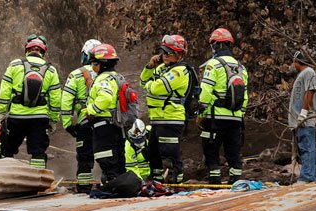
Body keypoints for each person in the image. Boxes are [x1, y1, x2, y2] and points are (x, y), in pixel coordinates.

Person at [0, 34, 61, 169]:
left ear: (27, 50)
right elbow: (55, 98)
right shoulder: (51, 70)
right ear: (43, 52)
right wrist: (53, 120)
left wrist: (2, 112)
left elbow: (4, 91)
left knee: (7, 149)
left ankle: (4, 177)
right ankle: (36, 182)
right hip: (39, 118)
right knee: (38, 152)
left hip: (16, 116)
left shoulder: (15, 65)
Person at [140, 34, 194, 184]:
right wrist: (150, 67)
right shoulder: (162, 68)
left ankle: (177, 182)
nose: (165, 55)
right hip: (157, 119)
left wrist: (150, 86)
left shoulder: (180, 71)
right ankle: (157, 181)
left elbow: (157, 88)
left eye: (169, 53)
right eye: (163, 52)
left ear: (179, 54)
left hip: (171, 119)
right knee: (153, 153)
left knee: (170, 153)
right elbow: (143, 81)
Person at [199, 27, 249, 184]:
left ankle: (215, 182)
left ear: (214, 45)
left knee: (211, 149)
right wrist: (240, 114)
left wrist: (201, 113)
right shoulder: (241, 67)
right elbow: (245, 96)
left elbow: (206, 91)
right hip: (235, 118)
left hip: (215, 117)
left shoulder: (213, 64)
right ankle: (235, 181)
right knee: (233, 151)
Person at [60, 39, 102, 191]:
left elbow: (66, 101)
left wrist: (67, 124)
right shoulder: (109, 75)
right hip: (107, 123)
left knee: (84, 157)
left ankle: (84, 188)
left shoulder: (76, 75)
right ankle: (111, 183)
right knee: (109, 156)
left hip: (85, 123)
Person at [84, 44, 127, 182]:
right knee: (118, 156)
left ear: (101, 64)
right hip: (116, 125)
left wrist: (91, 111)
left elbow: (106, 97)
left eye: (94, 64)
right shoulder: (117, 77)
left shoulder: (103, 79)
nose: (92, 67)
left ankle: (113, 183)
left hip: (104, 126)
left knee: (105, 156)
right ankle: (120, 183)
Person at [288, 51, 316, 183]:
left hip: (304, 120)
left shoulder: (308, 72)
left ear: (297, 61)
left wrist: (303, 114)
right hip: (299, 120)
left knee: (307, 147)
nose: (292, 65)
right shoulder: (303, 74)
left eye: (293, 62)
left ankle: (308, 176)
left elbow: (310, 91)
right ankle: (311, 175)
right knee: (305, 146)